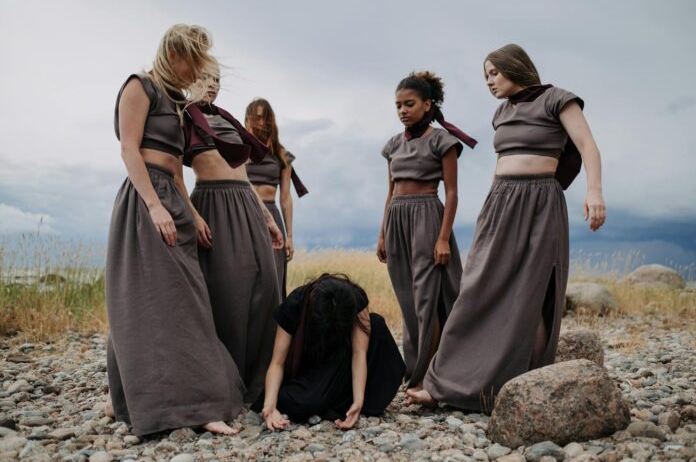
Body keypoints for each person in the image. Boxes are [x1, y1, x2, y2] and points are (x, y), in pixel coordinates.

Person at [408, 44, 606, 411]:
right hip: (500, 201)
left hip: (540, 203)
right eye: (485, 75)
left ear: (515, 67)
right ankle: (445, 383)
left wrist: (594, 192)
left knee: (532, 292)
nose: (489, 81)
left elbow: (587, 146)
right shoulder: (501, 112)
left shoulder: (557, 99)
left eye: (494, 73)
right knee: (477, 286)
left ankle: (527, 384)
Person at [105, 24, 244, 436]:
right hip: (144, 196)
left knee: (188, 302)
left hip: (172, 199)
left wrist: (191, 213)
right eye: (194, 61)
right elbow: (130, 149)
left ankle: (194, 397)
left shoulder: (178, 102)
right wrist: (153, 205)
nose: (197, 70)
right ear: (176, 53)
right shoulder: (140, 85)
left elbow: (177, 167)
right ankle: (146, 401)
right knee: (147, 302)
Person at [184, 66, 284, 403]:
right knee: (228, 290)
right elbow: (171, 173)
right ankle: (226, 379)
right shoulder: (181, 116)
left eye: (217, 79)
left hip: (245, 200)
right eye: (205, 77)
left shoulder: (226, 118)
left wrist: (268, 218)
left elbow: (243, 174)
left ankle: (259, 380)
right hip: (211, 201)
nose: (212, 83)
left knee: (267, 283)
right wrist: (192, 215)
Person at [377, 71, 477, 392]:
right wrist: (382, 234)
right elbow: (389, 192)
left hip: (426, 216)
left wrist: (444, 237)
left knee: (426, 299)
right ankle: (414, 370)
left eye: (409, 104)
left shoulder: (442, 141)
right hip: (397, 219)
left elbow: (452, 193)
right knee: (408, 299)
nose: (403, 110)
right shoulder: (393, 145)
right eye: (398, 106)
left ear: (427, 104)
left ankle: (425, 378)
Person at [252, 274, 405, 431]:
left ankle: (348, 404)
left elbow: (359, 354)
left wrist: (359, 401)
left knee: (376, 324)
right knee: (303, 402)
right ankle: (333, 403)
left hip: (344, 358)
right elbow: (277, 363)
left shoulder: (354, 298)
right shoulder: (296, 303)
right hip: (313, 366)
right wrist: (269, 405)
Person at [245, 99, 308, 300]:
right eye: (252, 118)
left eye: (261, 118)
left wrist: (289, 235)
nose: (256, 123)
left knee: (273, 276)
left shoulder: (282, 155)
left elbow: (286, 197)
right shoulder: (240, 150)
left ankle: (273, 328)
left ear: (269, 121)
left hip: (271, 213)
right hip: (244, 213)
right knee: (245, 274)